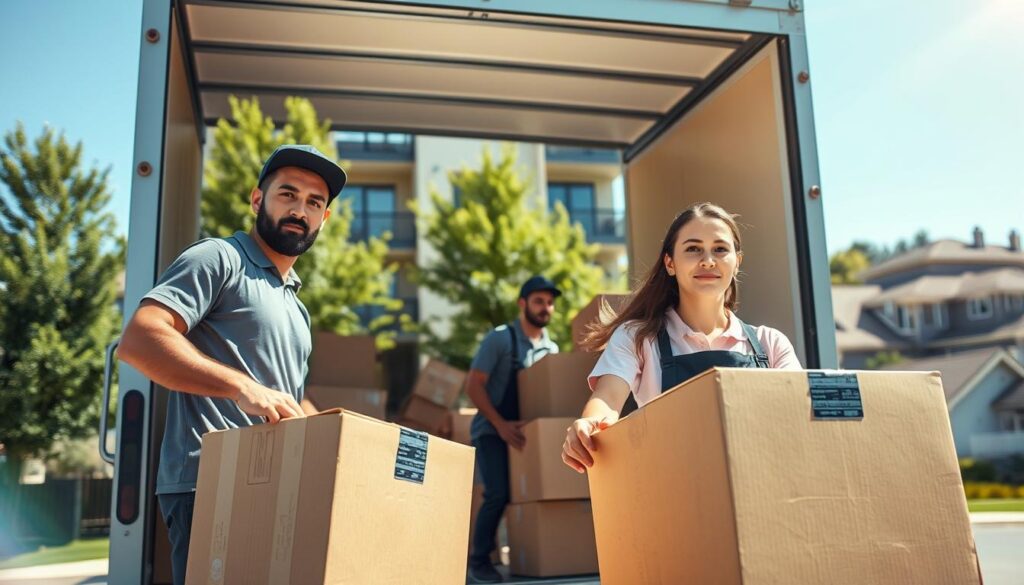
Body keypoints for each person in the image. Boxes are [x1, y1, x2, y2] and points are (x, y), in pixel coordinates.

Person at [116, 145, 347, 585]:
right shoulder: (219, 258)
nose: (300, 210)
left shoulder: (296, 305)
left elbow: (285, 396)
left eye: (314, 203)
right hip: (210, 481)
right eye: (288, 195)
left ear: (324, 219)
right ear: (258, 200)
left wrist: (341, 439)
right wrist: (241, 387)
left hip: (276, 483)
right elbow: (141, 338)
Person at [561, 202, 802, 473]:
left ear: (737, 263)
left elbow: (797, 415)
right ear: (670, 263)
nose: (708, 260)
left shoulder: (771, 344)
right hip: (678, 493)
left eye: (720, 249)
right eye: (693, 249)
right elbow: (607, 399)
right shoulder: (638, 338)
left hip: (758, 489)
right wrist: (589, 424)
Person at [464, 276, 561, 584]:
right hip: (492, 431)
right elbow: (473, 386)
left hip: (528, 434)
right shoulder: (500, 339)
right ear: (522, 304)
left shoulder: (551, 348)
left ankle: (533, 555)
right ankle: (479, 561)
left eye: (549, 302)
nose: (545, 308)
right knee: (498, 493)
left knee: (532, 496)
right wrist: (501, 425)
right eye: (538, 301)